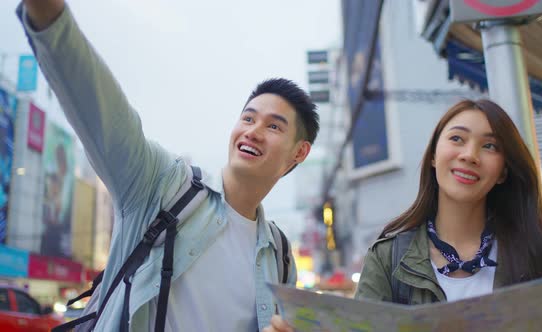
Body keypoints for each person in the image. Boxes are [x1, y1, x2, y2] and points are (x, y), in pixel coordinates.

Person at [19, 1, 319, 331]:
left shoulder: (280, 255)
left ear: (299, 152)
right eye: (248, 118)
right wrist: (49, 17)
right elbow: (98, 104)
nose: (253, 131)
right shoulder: (162, 185)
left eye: (274, 126)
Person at [264, 99, 542, 332]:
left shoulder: (540, 250)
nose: (469, 155)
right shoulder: (389, 257)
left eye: (489, 146)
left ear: (504, 171)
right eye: (457, 139)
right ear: (434, 156)